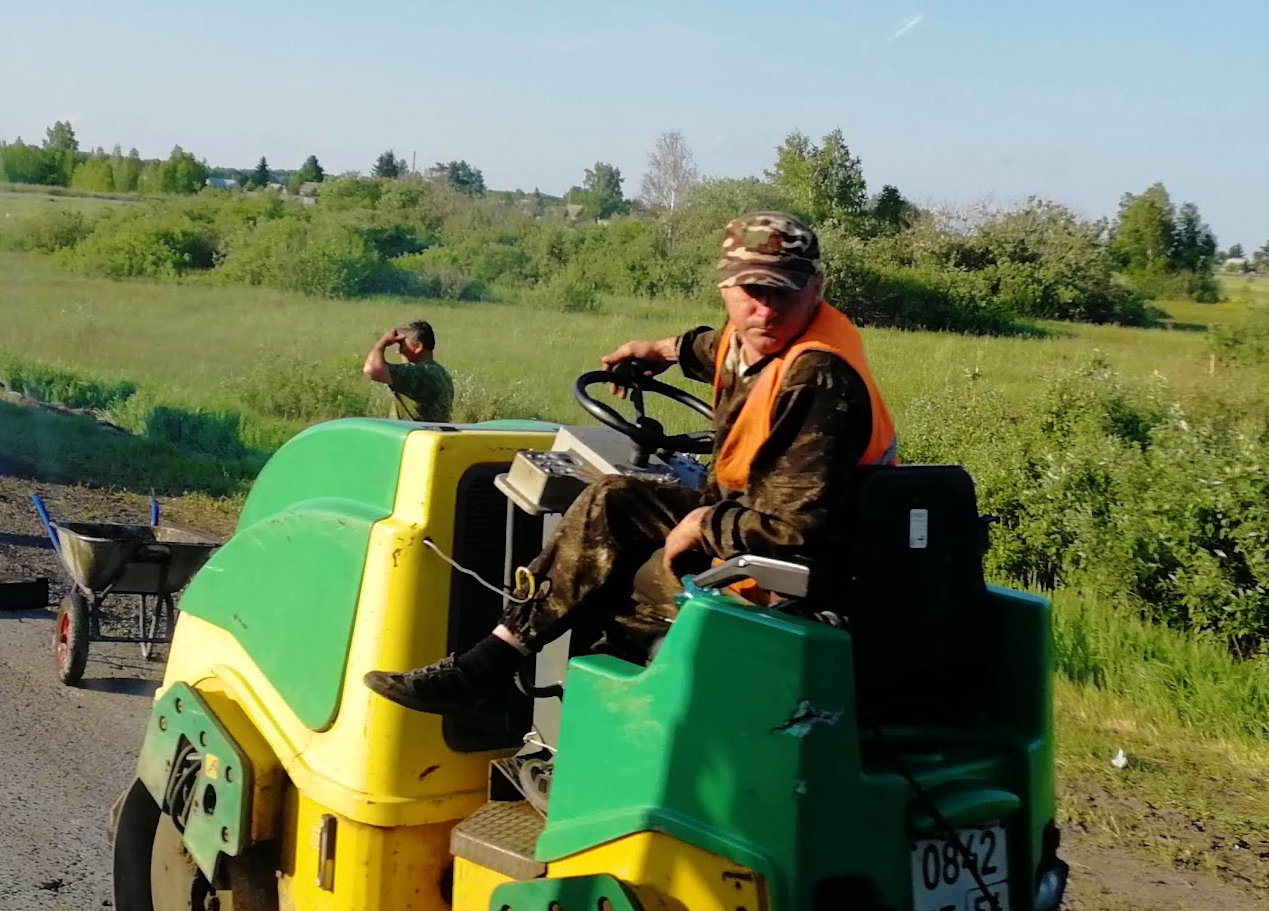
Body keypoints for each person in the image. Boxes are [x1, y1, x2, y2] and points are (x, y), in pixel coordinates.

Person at [365, 212, 895, 716]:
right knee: (613, 497)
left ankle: (601, 727)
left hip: (797, 573)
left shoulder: (817, 377)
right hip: (748, 519)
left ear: (817, 287)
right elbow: (714, 347)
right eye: (753, 291)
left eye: (785, 290)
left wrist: (702, 522)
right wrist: (654, 349)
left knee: (614, 577)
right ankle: (492, 662)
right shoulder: (758, 335)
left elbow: (794, 531)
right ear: (725, 289)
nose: (767, 308)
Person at [364, 319, 454, 423]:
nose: (399, 351)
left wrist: (381, 344)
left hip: (414, 436)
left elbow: (372, 369)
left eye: (402, 345)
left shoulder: (419, 374)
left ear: (418, 347)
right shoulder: (440, 372)